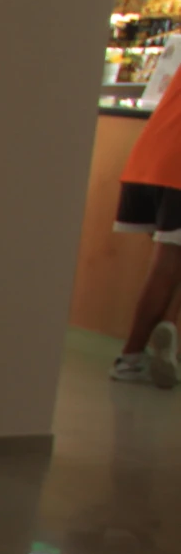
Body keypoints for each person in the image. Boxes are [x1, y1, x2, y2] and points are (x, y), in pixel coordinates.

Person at [110, 64, 181, 388]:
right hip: (176, 170)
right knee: (167, 265)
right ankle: (132, 357)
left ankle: (166, 333)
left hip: (150, 158)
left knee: (169, 262)